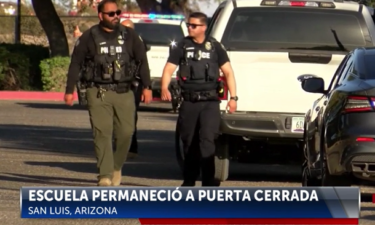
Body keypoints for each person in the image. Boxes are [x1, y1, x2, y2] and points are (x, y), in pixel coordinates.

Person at [64, 0, 152, 186]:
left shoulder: (130, 36)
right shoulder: (89, 37)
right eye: (110, 13)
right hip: (98, 92)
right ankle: (104, 175)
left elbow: (142, 61)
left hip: (125, 91)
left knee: (126, 133)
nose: (115, 16)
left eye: (117, 12)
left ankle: (116, 167)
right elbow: (76, 63)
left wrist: (147, 86)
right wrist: (69, 90)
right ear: (101, 15)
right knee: (102, 133)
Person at [161, 12, 238, 186]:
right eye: (189, 25)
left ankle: (209, 181)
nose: (189, 28)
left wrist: (233, 98)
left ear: (203, 27)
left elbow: (228, 72)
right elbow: (168, 70)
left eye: (193, 25)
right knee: (188, 141)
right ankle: (189, 179)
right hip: (189, 102)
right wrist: (164, 87)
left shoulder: (215, 47)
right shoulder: (182, 46)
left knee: (207, 140)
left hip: (210, 102)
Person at [120, 19, 148, 157]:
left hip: (134, 84)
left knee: (131, 115)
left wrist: (146, 86)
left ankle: (132, 147)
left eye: (127, 28)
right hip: (117, 84)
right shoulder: (114, 42)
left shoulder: (138, 43)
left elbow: (143, 65)